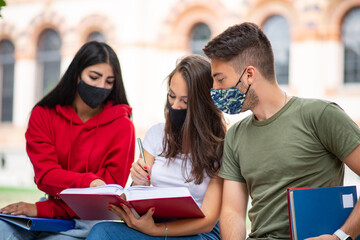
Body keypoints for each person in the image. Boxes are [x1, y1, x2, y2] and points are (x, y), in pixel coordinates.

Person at [202, 22, 360, 240]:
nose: (215, 90)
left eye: (220, 79)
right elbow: (233, 212)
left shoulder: (320, 115)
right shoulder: (235, 135)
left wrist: (341, 236)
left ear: (249, 75)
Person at [0, 41, 135, 239]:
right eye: (94, 77)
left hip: (90, 220)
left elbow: (106, 198)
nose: (101, 86)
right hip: (49, 211)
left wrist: (42, 209)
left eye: (109, 81)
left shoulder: (123, 126)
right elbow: (46, 175)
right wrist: (90, 183)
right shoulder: (43, 115)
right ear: (77, 73)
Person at [86, 55, 227, 240]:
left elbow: (208, 221)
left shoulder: (220, 147)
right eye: (172, 96)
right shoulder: (156, 134)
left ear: (203, 105)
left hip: (197, 233)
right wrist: (139, 180)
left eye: (185, 102)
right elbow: (138, 192)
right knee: (101, 232)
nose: (175, 106)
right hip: (155, 224)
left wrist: (157, 230)